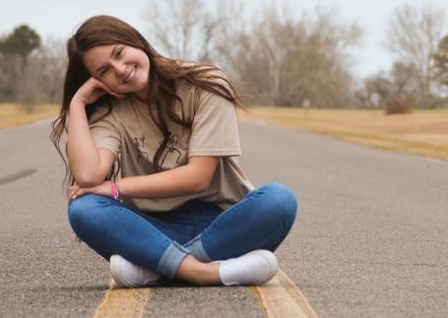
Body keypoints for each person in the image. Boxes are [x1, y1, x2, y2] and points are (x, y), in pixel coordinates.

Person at [51, 15, 297, 288]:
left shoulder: (205, 83)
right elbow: (87, 174)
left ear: (135, 40)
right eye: (104, 71)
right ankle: (205, 272)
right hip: (151, 228)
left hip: (221, 221)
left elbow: (198, 177)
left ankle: (157, 268)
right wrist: (77, 103)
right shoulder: (110, 110)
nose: (120, 69)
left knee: (279, 200)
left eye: (119, 53)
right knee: (83, 209)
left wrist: (114, 188)